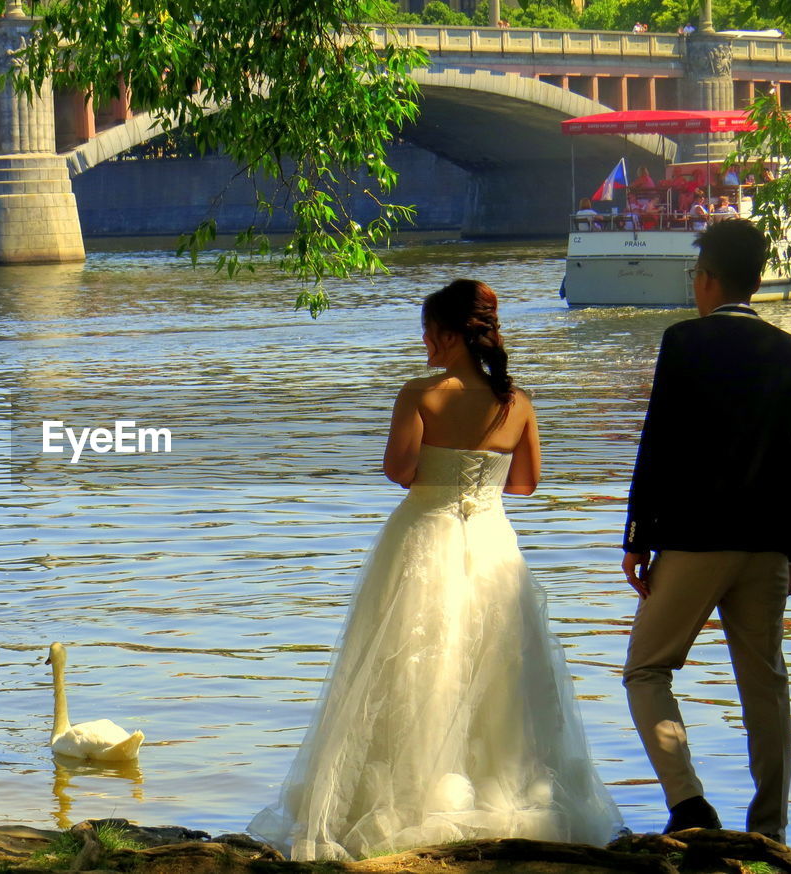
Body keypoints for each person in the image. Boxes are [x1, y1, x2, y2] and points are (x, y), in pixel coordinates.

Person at [249, 280, 623, 861]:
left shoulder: (419, 394)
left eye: (427, 330)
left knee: (413, 664)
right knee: (500, 670)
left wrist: (440, 466)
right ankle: (512, 795)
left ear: (447, 333)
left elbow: (399, 470)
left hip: (425, 536)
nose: (423, 341)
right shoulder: (516, 401)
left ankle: (407, 803)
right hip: (494, 544)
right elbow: (525, 482)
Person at [621, 219, 791, 844]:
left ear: (707, 279)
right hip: (765, 541)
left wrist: (637, 536)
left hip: (694, 538)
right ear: (757, 280)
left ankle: (690, 803)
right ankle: (771, 832)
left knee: (646, 671)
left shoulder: (684, 342)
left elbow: (660, 442)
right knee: (766, 688)